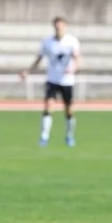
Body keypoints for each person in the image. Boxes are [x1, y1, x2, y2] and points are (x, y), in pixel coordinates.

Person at [21, 16, 81, 148]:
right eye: (56, 26)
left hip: (67, 81)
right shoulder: (47, 42)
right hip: (52, 79)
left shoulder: (72, 41)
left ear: (65, 26)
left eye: (61, 26)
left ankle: (69, 135)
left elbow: (77, 59)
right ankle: (44, 136)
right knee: (48, 106)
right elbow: (39, 58)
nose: (58, 28)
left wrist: (73, 68)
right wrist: (28, 71)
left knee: (69, 110)